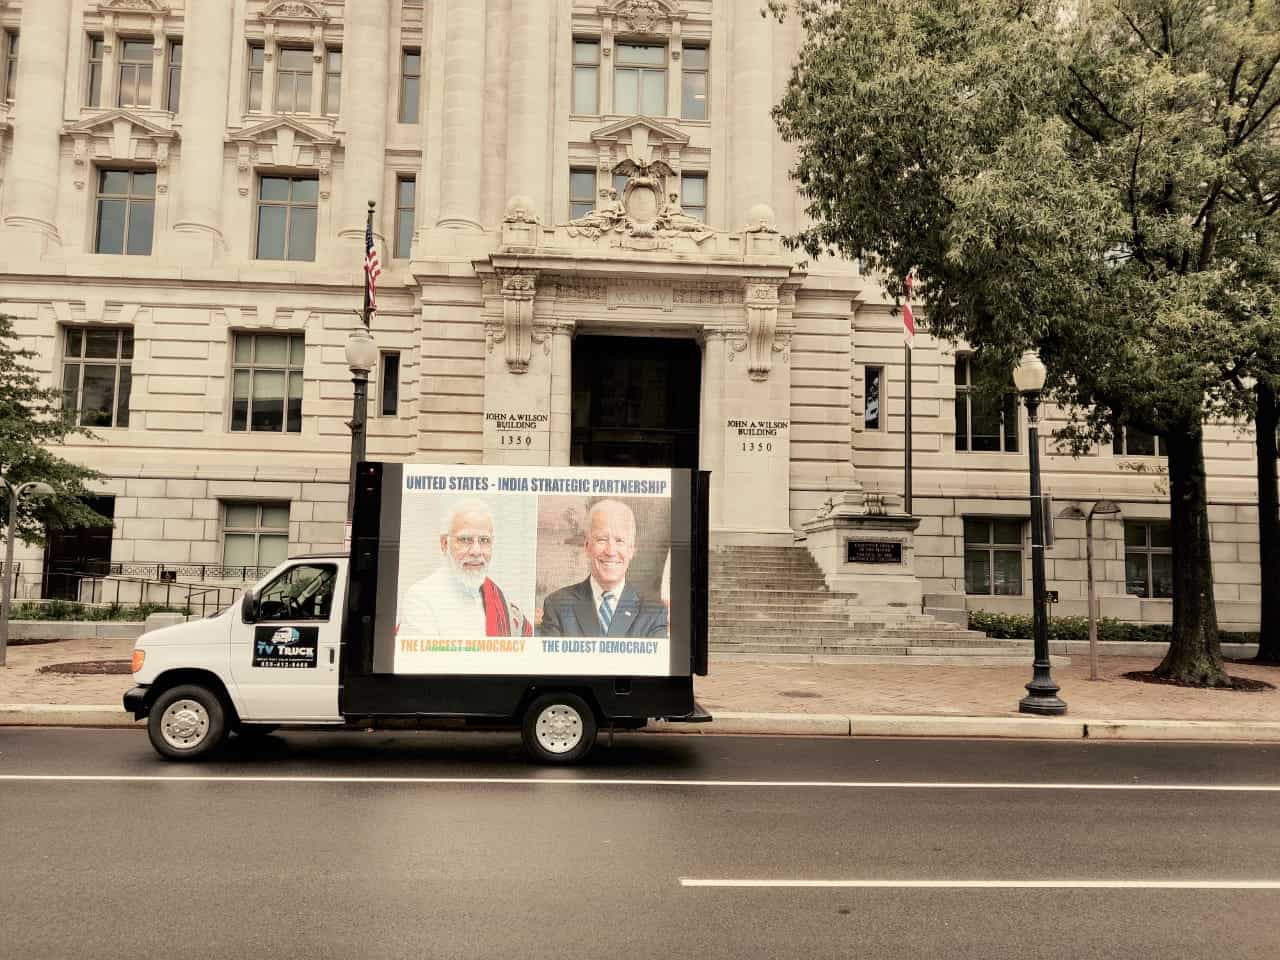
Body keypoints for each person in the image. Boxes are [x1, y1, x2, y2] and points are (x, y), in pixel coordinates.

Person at [397, 499, 531, 639]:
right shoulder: (421, 599)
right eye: (465, 539)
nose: (476, 551)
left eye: (484, 540)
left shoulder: (501, 601)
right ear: (444, 544)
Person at [538, 499, 667, 638]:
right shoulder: (557, 606)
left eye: (619, 541)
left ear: (631, 550)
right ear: (587, 547)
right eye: (601, 539)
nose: (610, 551)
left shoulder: (653, 613)